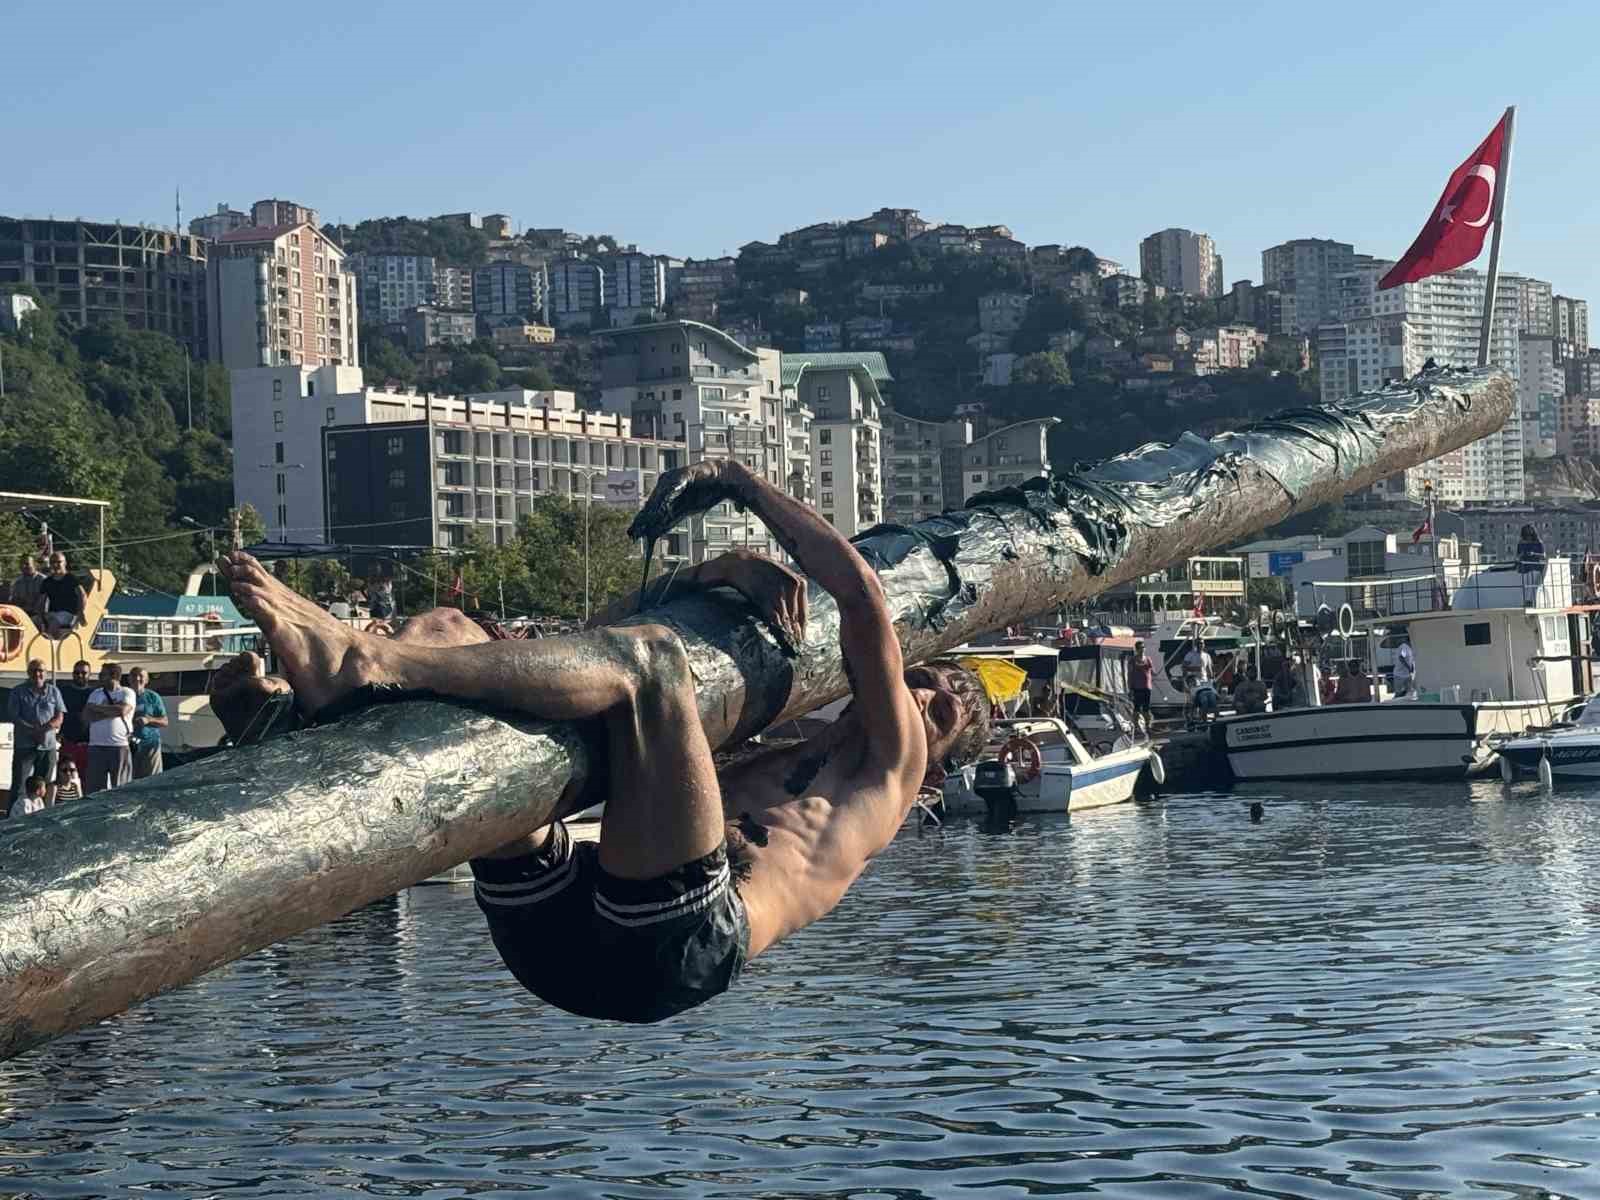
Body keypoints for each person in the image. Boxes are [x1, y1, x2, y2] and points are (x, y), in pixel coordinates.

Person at [217, 454, 992, 1025]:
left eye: (945, 712)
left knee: (655, 662)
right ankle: (322, 703)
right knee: (456, 632)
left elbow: (860, 598)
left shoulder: (891, 777)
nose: (927, 694)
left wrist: (743, 484)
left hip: (671, 947)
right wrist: (710, 572)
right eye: (934, 679)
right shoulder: (778, 743)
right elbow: (588, 649)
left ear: (932, 773)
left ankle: (367, 660)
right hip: (567, 936)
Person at [8, 659, 64, 808]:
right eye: (33, 670)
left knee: (43, 787)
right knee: (19, 786)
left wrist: (44, 730)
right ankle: (11, 821)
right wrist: (34, 732)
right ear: (28, 673)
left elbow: (59, 717)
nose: (37, 674)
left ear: (45, 673)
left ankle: (40, 820)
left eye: (40, 671)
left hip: (47, 747)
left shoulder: (54, 691)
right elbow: (15, 716)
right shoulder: (17, 691)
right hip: (24, 746)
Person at [84, 663, 135, 794]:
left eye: (102, 674)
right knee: (94, 789)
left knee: (120, 787)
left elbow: (122, 710)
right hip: (96, 746)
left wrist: (97, 708)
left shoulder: (127, 692)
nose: (99, 676)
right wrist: (111, 710)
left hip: (119, 746)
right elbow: (87, 716)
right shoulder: (96, 693)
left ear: (113, 676)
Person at [127, 666, 168, 778]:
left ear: (146, 680)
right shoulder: (123, 695)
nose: (137, 678)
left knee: (152, 780)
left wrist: (148, 720)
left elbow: (165, 722)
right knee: (129, 782)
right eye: (134, 675)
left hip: (150, 745)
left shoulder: (153, 697)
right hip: (128, 746)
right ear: (129, 679)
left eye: (141, 676)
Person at [57, 659, 94, 776]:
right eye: (77, 673)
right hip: (68, 742)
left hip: (88, 744)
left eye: (84, 673)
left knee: (86, 779)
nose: (80, 675)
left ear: (90, 675)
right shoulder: (63, 691)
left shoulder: (94, 693)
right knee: (64, 780)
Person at [39, 552, 87, 637]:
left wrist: (81, 612)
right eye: (52, 562)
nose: (55, 564)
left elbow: (82, 594)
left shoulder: (71, 578)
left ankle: (48, 645)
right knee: (34, 621)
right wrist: (41, 616)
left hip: (68, 613)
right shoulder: (47, 581)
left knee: (53, 622)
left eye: (58, 562)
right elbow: (42, 601)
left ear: (65, 563)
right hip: (52, 613)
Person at [1128, 639, 1155, 735]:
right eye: (1140, 648)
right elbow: (1130, 674)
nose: (1142, 649)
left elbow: (1153, 672)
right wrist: (1130, 688)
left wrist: (1154, 674)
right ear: (1137, 649)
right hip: (1137, 687)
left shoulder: (1148, 659)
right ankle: (1136, 727)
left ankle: (1148, 727)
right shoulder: (1133, 660)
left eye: (1143, 647)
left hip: (1147, 687)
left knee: (1146, 708)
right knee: (1137, 708)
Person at [10, 554, 45, 624]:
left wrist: (30, 614)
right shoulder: (17, 583)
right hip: (21, 615)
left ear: (35, 564)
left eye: (27, 564)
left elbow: (43, 602)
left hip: (39, 616)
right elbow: (14, 601)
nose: (24, 566)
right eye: (22, 564)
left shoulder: (43, 581)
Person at [1517, 524, 1546, 604]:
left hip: (1535, 566)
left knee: (1533, 584)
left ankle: (1531, 601)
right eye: (1526, 531)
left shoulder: (1538, 542)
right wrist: (1522, 555)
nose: (1528, 533)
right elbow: (1518, 555)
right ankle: (1526, 600)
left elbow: (1543, 555)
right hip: (1525, 567)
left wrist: (1534, 554)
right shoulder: (1521, 543)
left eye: (1530, 530)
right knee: (1525, 584)